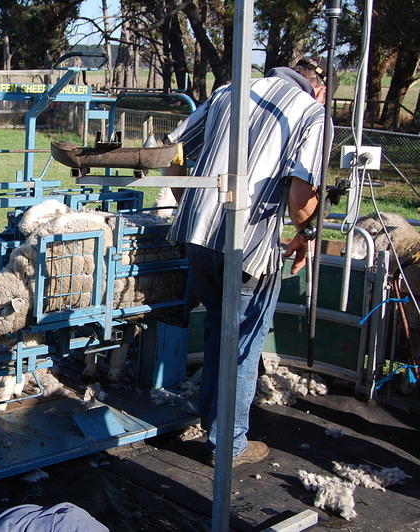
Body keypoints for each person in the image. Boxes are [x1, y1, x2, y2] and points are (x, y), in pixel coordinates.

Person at [165, 57, 332, 467]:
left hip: (196, 235)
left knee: (221, 332)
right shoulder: (312, 113)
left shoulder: (228, 91)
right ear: (321, 89)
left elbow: (172, 152)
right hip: (249, 246)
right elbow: (299, 197)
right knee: (242, 345)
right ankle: (229, 445)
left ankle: (212, 423)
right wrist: (308, 235)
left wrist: (192, 208)